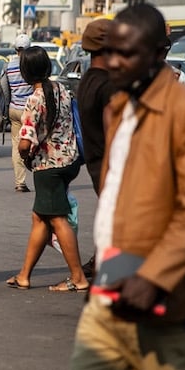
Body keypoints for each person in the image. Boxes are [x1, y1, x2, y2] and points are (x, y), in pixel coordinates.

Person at [62, 4, 185, 370]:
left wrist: (152, 277)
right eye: (112, 52)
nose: (115, 62)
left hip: (169, 296)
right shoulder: (121, 107)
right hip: (113, 287)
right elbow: (118, 195)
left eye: (129, 53)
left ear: (159, 53)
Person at [6, 46, 87, 292]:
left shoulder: (35, 99)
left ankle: (78, 277)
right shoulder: (62, 89)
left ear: (25, 72)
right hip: (69, 160)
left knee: (57, 219)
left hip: (48, 166)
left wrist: (24, 155)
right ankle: (24, 275)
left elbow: (24, 141)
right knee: (40, 218)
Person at [74, 19, 116, 277]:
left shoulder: (87, 80)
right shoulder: (108, 85)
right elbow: (113, 130)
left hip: (94, 162)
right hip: (109, 164)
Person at [5, 34, 34, 192]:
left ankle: (20, 182)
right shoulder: (30, 66)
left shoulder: (9, 66)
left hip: (13, 109)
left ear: (16, 49)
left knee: (16, 146)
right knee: (34, 144)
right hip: (29, 110)